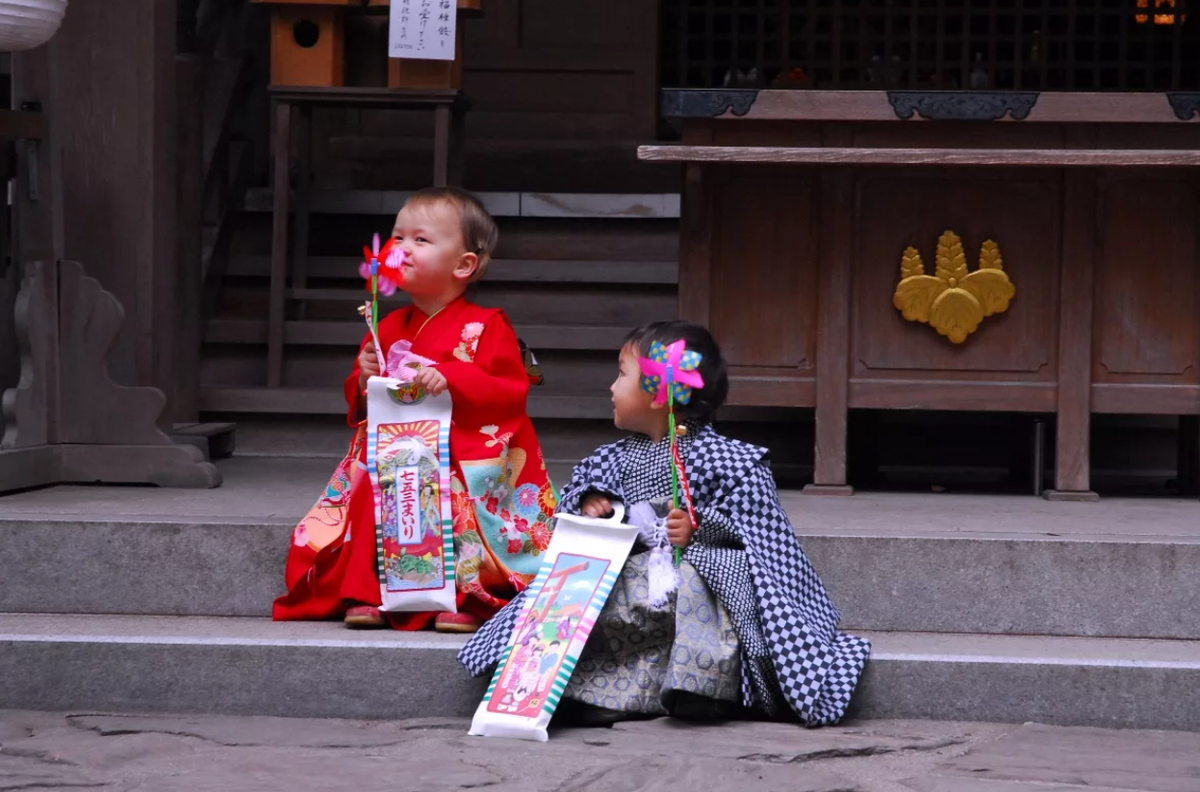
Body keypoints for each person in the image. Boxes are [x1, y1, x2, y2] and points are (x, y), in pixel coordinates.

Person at [458, 320, 869, 725]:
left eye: (622, 374)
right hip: (636, 569)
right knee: (597, 590)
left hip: (700, 569)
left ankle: (701, 688)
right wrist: (591, 503)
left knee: (695, 580)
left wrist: (701, 527)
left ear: (660, 393)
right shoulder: (610, 458)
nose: (612, 387)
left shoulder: (732, 460)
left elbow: (763, 533)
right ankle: (604, 692)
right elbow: (571, 500)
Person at [273, 187, 557, 633]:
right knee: (371, 487)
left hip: (458, 455)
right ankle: (367, 592)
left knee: (450, 496)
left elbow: (509, 390)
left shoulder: (486, 326)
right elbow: (367, 400)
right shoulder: (386, 325)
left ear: (464, 265)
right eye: (396, 237)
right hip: (395, 453)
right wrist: (364, 377)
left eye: (420, 240)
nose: (400, 248)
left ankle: (464, 593)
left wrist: (454, 377)